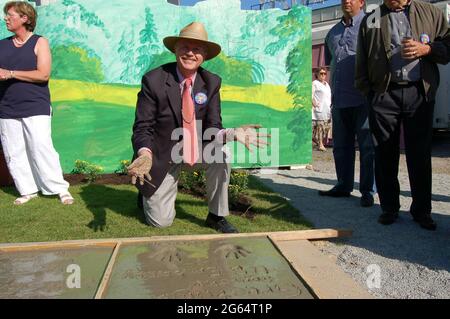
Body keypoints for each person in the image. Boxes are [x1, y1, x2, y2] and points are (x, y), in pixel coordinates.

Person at [128, 22, 268, 233]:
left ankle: (216, 216)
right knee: (160, 222)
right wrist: (144, 153)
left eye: (197, 49)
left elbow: (212, 127)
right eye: (185, 47)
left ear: (204, 56)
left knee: (222, 153)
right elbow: (143, 126)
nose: (190, 53)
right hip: (162, 154)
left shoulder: (211, 82)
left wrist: (232, 133)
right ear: (175, 49)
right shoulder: (154, 80)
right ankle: (148, 191)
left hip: (195, 148)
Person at [355, 0, 450, 230]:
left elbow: (448, 45)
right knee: (385, 153)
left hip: (419, 92)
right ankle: (389, 208)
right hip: (384, 94)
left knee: (419, 154)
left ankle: (421, 211)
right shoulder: (372, 18)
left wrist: (428, 49)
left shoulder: (430, 12)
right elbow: (361, 60)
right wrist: (369, 94)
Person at [0, 1, 73, 205]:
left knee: (41, 147)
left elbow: (43, 74)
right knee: (14, 150)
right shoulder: (2, 45)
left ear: (25, 18)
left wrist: (11, 74)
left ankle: (59, 189)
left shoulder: (39, 42)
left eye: (11, 15)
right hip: (7, 107)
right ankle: (27, 190)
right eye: (6, 15)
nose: (6, 18)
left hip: (35, 105)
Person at [320, 0, 375, 208]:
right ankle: (343, 185)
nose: (347, 2)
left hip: (363, 98)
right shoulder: (332, 32)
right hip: (340, 100)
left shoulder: (372, 25)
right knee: (341, 147)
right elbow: (330, 61)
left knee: (368, 148)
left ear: (361, 2)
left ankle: (368, 191)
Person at [312, 67, 331, 152]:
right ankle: (320, 144)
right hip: (318, 108)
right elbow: (310, 94)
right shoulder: (314, 83)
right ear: (317, 74)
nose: (323, 75)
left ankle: (318, 141)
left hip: (327, 109)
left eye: (324, 73)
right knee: (320, 127)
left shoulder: (327, 84)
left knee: (326, 127)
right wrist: (314, 103)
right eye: (321, 73)